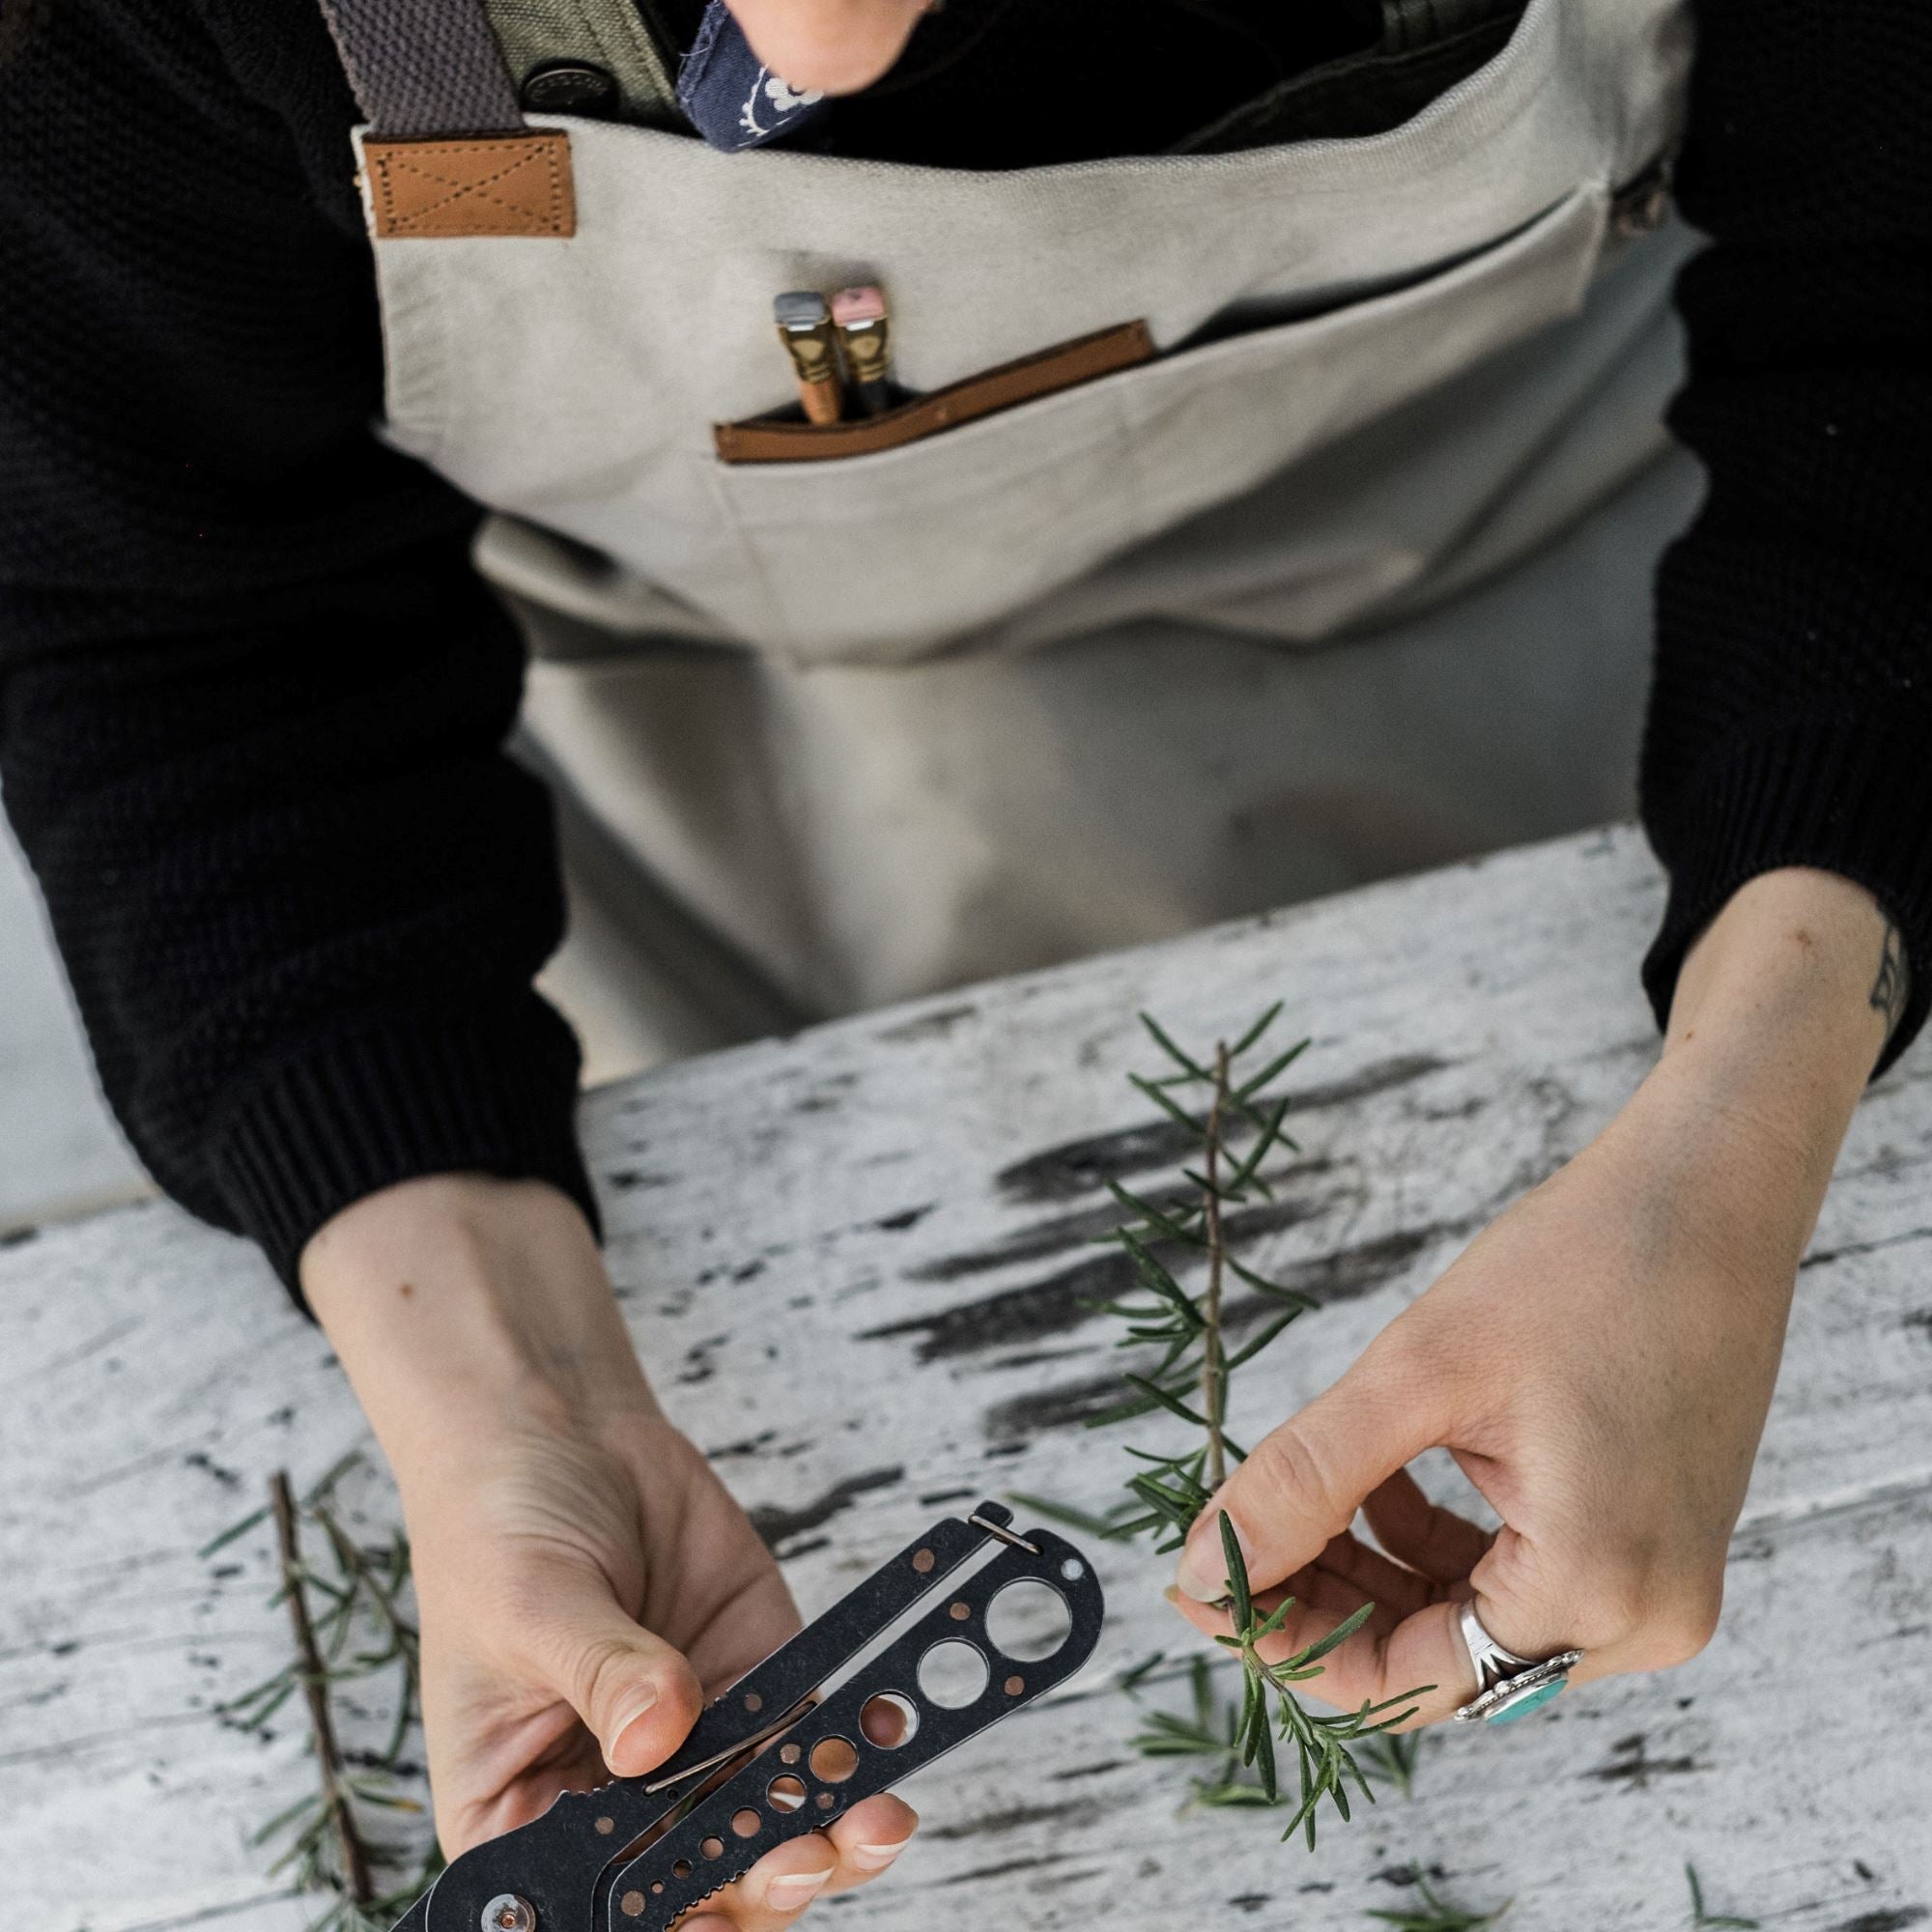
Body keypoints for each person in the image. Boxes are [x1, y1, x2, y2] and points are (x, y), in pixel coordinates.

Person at [1, 0, 1925, 1911]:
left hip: (1600, 540)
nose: (813, 85)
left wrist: (1735, 1138)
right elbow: (182, 620)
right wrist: (514, 1399)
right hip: (734, 684)